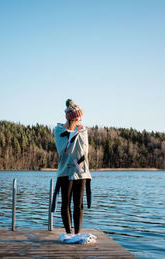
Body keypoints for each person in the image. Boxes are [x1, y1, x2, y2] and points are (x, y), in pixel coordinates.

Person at [53, 99, 92, 235]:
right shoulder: (59, 131)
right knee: (65, 203)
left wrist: (79, 133)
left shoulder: (82, 131)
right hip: (65, 171)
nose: (80, 122)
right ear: (71, 119)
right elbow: (64, 149)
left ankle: (77, 233)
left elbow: (84, 151)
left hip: (81, 171)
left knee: (78, 203)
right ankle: (69, 233)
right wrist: (74, 135)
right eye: (77, 119)